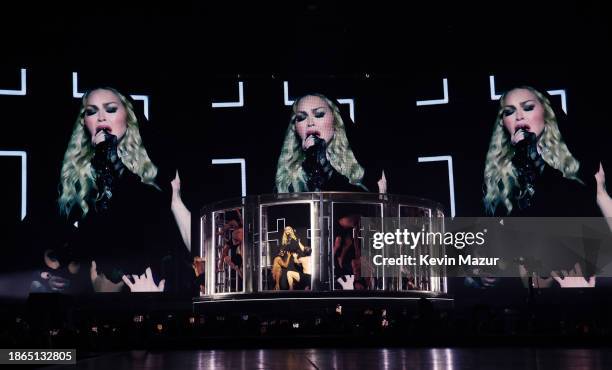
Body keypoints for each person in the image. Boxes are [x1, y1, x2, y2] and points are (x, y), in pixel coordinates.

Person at [57, 87, 191, 293]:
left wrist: (110, 156)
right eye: (91, 111)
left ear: (128, 117)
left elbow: (153, 223)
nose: (101, 117)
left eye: (110, 109)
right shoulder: (74, 178)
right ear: (84, 123)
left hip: (153, 287)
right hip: (97, 293)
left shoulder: (155, 170)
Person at [482, 85, 608, 288]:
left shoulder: (577, 161)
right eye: (509, 112)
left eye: (528, 107)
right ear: (503, 123)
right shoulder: (501, 178)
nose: (519, 117)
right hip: (535, 290)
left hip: (586, 281)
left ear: (546, 114)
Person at [275, 93, 387, 193]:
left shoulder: (358, 166)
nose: (310, 123)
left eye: (318, 114)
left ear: (335, 120)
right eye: (301, 117)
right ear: (295, 128)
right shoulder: (287, 174)